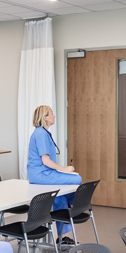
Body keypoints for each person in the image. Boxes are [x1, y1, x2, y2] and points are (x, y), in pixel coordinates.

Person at [26, 105, 80, 245]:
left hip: (46, 173)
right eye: (52, 114)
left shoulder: (44, 132)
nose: (54, 116)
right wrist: (64, 169)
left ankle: (61, 238)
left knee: (60, 197)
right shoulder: (40, 134)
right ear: (45, 117)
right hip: (40, 174)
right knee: (76, 178)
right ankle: (77, 205)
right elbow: (45, 160)